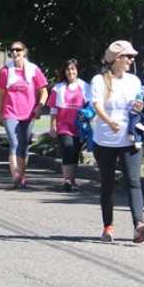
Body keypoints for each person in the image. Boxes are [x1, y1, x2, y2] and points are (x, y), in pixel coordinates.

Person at [91, 40, 144, 244]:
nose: (131, 60)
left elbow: (137, 106)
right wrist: (109, 122)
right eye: (128, 56)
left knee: (134, 182)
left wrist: (139, 106)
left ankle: (139, 226)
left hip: (129, 140)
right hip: (105, 141)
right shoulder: (99, 81)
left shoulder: (134, 81)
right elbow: (97, 105)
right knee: (108, 185)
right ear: (117, 59)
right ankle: (107, 227)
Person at [0, 41, 49, 188]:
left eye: (18, 50)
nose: (15, 53)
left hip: (28, 113)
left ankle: (22, 175)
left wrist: (40, 107)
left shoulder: (33, 70)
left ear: (24, 52)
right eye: (12, 50)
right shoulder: (6, 71)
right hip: (10, 112)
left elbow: (44, 90)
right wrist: (0, 113)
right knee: (14, 143)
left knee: (24, 145)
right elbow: (2, 93)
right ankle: (16, 176)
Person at [47, 59, 91, 192]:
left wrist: (87, 117)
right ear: (64, 72)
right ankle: (66, 179)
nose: (70, 72)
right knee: (68, 147)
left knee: (75, 152)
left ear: (77, 71)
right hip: (63, 124)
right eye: (68, 69)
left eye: (73, 69)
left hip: (79, 126)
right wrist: (52, 124)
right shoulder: (58, 88)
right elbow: (54, 108)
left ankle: (72, 179)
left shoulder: (85, 87)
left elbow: (90, 106)